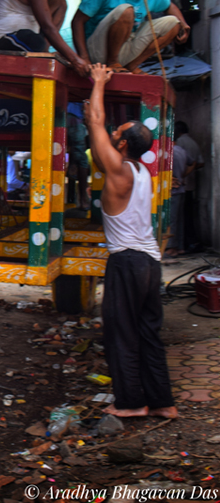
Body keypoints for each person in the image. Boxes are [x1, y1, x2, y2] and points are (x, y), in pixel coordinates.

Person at [84, 63, 177, 419]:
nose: (111, 132)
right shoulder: (142, 173)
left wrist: (98, 82)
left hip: (126, 262)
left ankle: (132, 403)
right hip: (150, 264)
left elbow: (94, 120)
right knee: (148, 332)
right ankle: (163, 402)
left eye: (117, 132)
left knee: (121, 333)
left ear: (121, 143)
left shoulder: (119, 171)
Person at [173, 121, 204, 252]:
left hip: (176, 186)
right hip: (188, 186)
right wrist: (185, 174)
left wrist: (180, 175)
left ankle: (174, 247)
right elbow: (200, 163)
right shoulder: (193, 143)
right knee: (184, 217)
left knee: (174, 218)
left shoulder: (177, 145)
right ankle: (184, 245)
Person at [66, 102, 90, 210]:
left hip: (68, 113)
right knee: (81, 157)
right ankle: (83, 199)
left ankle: (72, 165)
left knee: (77, 153)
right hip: (73, 115)